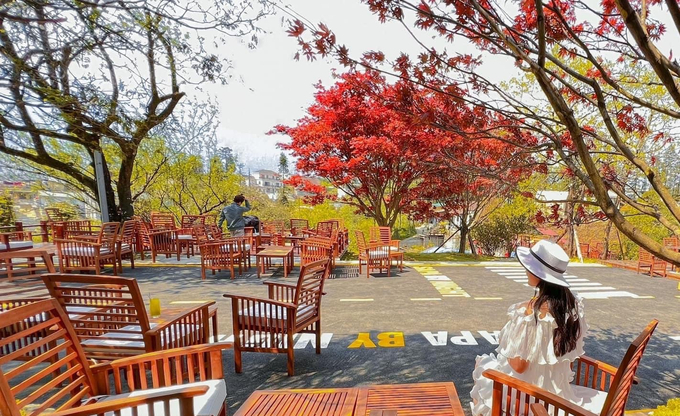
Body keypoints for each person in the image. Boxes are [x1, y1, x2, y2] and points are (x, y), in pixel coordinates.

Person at [470, 240, 596, 416]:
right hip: (559, 397)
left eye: (530, 267)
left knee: (483, 368)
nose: (526, 270)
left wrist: (506, 343)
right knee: (486, 367)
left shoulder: (531, 312)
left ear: (540, 275)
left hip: (529, 398)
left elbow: (519, 366)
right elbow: (568, 355)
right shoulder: (573, 307)